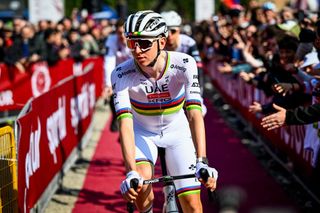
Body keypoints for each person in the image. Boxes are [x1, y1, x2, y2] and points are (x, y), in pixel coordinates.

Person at [112, 10, 218, 213]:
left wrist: (202, 161)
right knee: (141, 186)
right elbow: (125, 123)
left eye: (144, 43)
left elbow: (194, 113)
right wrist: (130, 172)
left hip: (177, 132)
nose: (137, 50)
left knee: (193, 207)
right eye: (131, 42)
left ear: (161, 42)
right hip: (142, 133)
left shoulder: (184, 64)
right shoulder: (121, 73)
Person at [160, 10, 207, 115]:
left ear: (179, 30)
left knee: (200, 111)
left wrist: (197, 95)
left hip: (186, 81)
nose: (170, 36)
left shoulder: (189, 43)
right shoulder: (158, 45)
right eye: (166, 33)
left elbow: (198, 71)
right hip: (164, 85)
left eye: (173, 31)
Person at [103, 19, 132, 131]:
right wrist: (108, 84)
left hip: (133, 71)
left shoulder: (133, 39)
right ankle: (116, 116)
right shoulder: (111, 40)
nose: (121, 36)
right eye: (119, 33)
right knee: (113, 93)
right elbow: (109, 62)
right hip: (119, 71)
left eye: (123, 33)